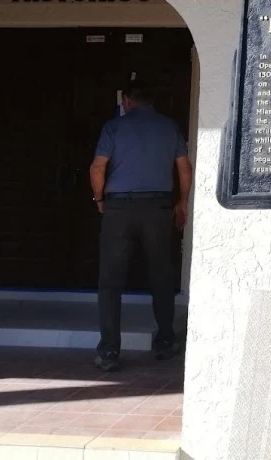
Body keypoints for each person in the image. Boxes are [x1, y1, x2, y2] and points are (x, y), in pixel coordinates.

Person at [89, 80, 192, 372]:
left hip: (119, 207)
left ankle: (109, 351)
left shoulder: (114, 127)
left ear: (128, 101)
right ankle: (165, 341)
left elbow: (97, 167)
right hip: (158, 207)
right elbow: (184, 167)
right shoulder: (169, 127)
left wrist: (99, 200)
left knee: (110, 282)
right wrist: (181, 203)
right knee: (161, 275)